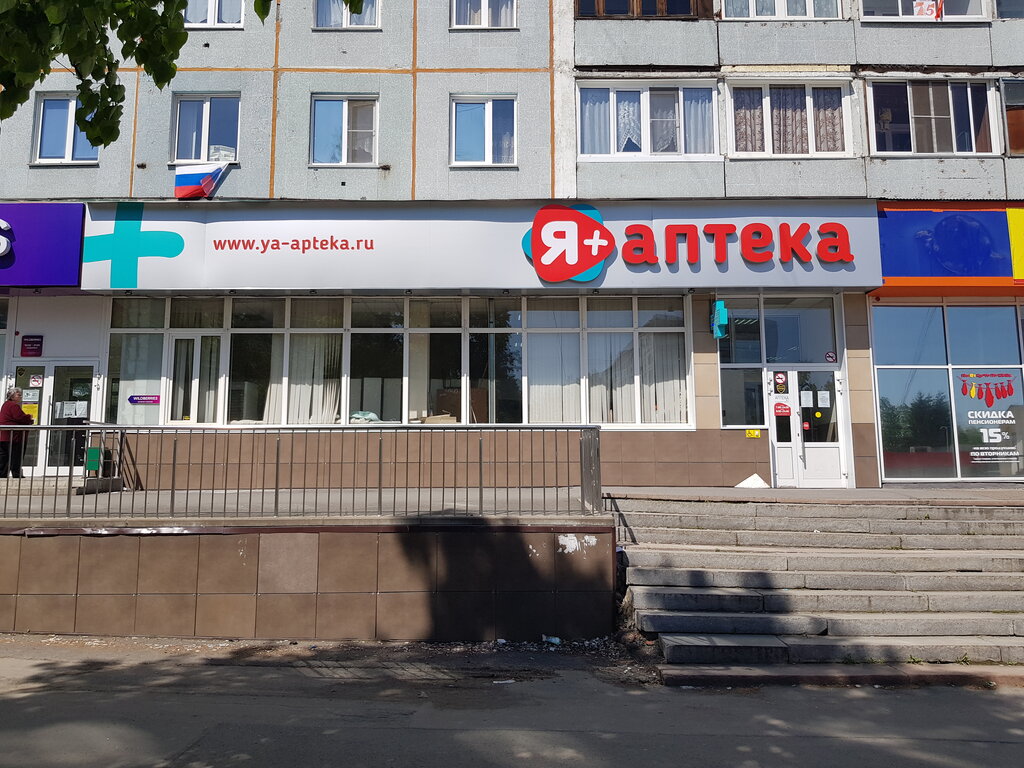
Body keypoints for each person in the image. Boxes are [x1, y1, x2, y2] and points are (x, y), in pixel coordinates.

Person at [0, 387, 34, 478]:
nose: (20, 397)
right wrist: (29, 418)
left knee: (4, 458)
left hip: (5, 436)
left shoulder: (6, 405)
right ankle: (16, 475)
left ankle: (2, 475)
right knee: (15, 457)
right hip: (14, 437)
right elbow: (20, 417)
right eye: (18, 395)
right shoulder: (13, 406)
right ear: (12, 396)